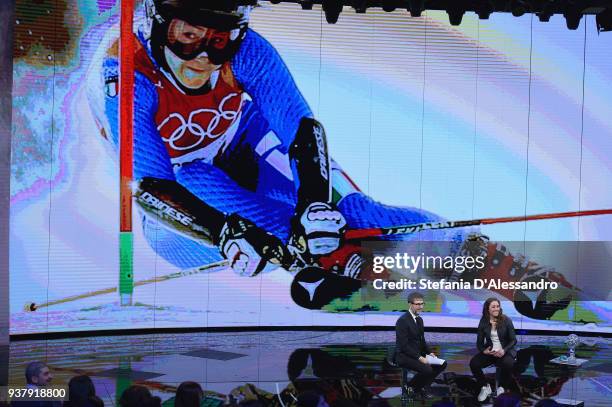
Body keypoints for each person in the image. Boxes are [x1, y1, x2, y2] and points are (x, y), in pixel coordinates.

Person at [87, 0, 575, 321]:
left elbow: (301, 130)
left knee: (353, 214)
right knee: (268, 227)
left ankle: (500, 268)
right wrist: (224, 233)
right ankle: (336, 263)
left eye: (219, 41)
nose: (203, 56)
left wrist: (316, 206)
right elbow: (149, 186)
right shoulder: (124, 71)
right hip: (180, 198)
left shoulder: (248, 50)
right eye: (188, 35)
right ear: (153, 20)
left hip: (245, 140)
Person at [395, 292, 447, 400]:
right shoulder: (402, 321)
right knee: (427, 369)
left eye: (422, 304)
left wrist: (429, 353)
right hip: (404, 356)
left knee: (442, 364)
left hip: (417, 353)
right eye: (418, 304)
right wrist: (420, 358)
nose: (421, 307)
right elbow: (404, 346)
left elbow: (422, 340)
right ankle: (411, 387)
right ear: (410, 304)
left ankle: (423, 387)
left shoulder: (419, 319)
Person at [470, 297, 517, 402]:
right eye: (493, 307)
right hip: (491, 352)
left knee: (508, 363)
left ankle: (502, 388)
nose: (496, 309)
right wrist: (484, 351)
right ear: (487, 309)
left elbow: (513, 340)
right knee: (474, 363)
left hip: (505, 351)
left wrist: (504, 350)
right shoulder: (483, 322)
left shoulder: (506, 320)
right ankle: (485, 387)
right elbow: (479, 343)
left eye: (498, 306)